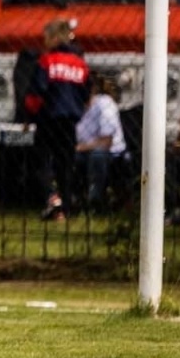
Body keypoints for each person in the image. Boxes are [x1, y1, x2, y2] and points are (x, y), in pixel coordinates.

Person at [25, 18, 90, 219]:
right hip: (70, 122)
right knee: (65, 164)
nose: (44, 42)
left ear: (55, 37)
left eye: (46, 37)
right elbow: (86, 94)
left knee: (40, 162)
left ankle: (52, 201)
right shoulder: (80, 65)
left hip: (48, 119)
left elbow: (35, 94)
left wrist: (29, 116)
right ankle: (67, 205)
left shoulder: (46, 61)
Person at [74, 75, 126, 210]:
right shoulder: (74, 105)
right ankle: (73, 199)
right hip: (83, 150)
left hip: (110, 151)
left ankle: (95, 200)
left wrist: (79, 148)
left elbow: (106, 141)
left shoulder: (104, 104)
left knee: (97, 155)